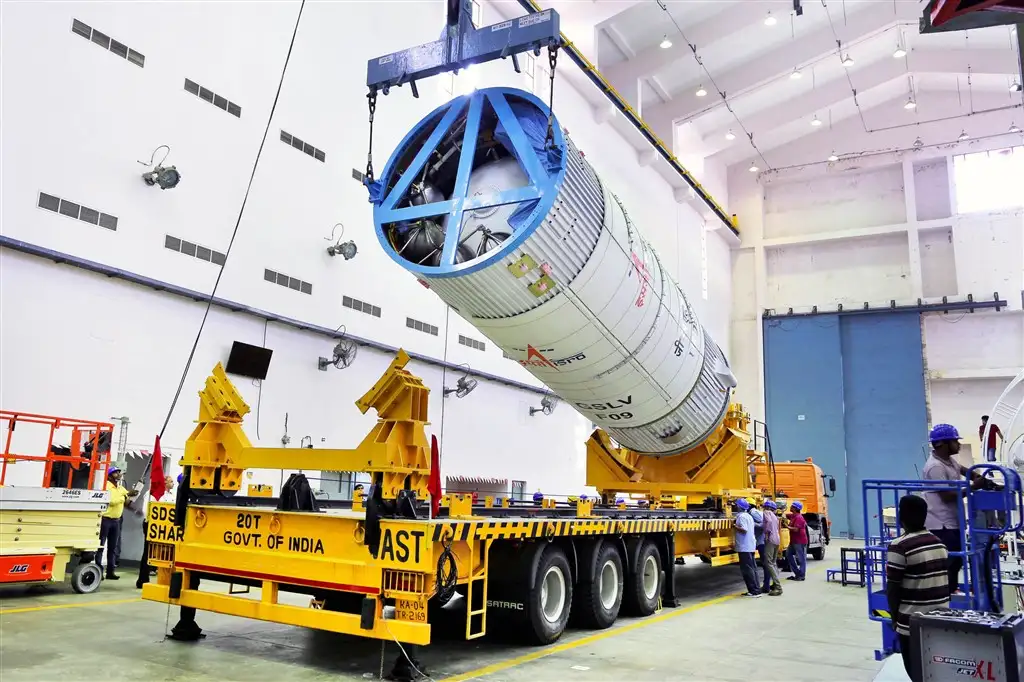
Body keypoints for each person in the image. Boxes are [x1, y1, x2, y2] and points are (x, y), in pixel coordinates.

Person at [887, 494, 950, 679]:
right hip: (939, 621)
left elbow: (893, 588)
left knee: (916, 673)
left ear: (901, 517)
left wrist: (894, 619)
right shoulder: (939, 543)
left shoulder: (899, 546)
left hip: (912, 624)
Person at [923, 423, 981, 595]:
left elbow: (963, 470)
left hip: (953, 521)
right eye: (955, 441)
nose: (959, 444)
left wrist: (976, 475)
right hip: (940, 524)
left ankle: (952, 589)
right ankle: (945, 593)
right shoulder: (935, 467)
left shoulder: (949, 461)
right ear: (942, 443)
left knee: (956, 560)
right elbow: (946, 495)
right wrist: (973, 487)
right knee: (949, 560)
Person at [98, 466, 138, 579]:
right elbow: (110, 501)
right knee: (100, 546)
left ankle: (110, 571)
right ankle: (99, 571)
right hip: (105, 520)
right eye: (116, 473)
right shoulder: (106, 486)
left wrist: (133, 496)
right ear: (110, 476)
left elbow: (127, 501)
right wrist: (124, 497)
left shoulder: (120, 488)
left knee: (113, 547)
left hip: (116, 521)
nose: (119, 475)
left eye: (119, 473)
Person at [137, 475, 175, 589]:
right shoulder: (152, 493)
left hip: (166, 527)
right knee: (148, 551)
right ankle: (142, 579)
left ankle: (165, 577)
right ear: (164, 482)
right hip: (151, 525)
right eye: (171, 481)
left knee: (166, 552)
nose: (173, 483)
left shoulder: (171, 495)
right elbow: (146, 510)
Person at [734, 498, 761, 597]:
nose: (735, 506)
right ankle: (756, 589)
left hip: (744, 547)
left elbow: (744, 530)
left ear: (740, 507)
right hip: (750, 545)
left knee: (747, 569)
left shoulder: (741, 517)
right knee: (752, 568)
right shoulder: (748, 516)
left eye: (737, 505)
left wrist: (734, 526)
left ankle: (753, 591)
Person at [760, 500, 783, 596]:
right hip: (777, 540)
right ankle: (774, 584)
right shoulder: (775, 516)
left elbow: (768, 522)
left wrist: (766, 533)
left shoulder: (766, 513)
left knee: (768, 563)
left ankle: (778, 587)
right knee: (773, 563)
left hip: (770, 540)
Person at [785, 501, 808, 581]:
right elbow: (785, 515)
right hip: (793, 541)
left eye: (792, 506)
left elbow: (796, 529)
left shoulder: (799, 517)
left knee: (801, 559)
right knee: (788, 554)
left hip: (800, 541)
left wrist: (787, 527)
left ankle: (801, 575)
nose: (790, 507)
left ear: (795, 508)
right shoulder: (793, 516)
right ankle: (797, 573)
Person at [748, 498, 765, 591]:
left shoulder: (754, 513)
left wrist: (752, 524)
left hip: (761, 541)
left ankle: (766, 585)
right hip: (758, 540)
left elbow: (763, 524)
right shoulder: (753, 512)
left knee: (765, 563)